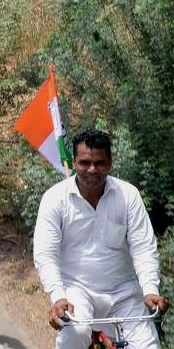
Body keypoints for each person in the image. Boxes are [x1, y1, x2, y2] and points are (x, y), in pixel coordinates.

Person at [33, 129, 168, 349]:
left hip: (124, 292)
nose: (92, 170)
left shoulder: (128, 195)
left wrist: (150, 289)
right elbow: (45, 255)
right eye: (85, 163)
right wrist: (58, 297)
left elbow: (143, 247)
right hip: (76, 291)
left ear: (110, 163)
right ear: (74, 162)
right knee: (74, 337)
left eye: (100, 163)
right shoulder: (54, 199)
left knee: (149, 345)